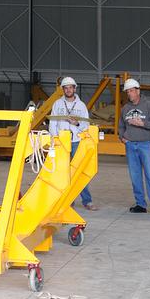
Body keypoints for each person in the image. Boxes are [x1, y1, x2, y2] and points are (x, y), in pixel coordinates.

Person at [49, 76, 96, 210]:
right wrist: (55, 139)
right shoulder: (57, 104)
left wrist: (77, 123)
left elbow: (86, 125)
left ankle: (87, 201)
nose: (68, 90)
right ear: (63, 90)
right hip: (62, 142)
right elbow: (53, 123)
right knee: (63, 172)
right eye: (66, 88)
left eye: (71, 87)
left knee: (78, 171)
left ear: (74, 89)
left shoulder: (81, 106)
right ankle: (67, 200)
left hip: (76, 141)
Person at [118, 77, 150, 215]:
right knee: (135, 176)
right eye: (127, 92)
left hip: (146, 144)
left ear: (138, 91)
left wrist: (142, 124)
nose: (129, 94)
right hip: (130, 145)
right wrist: (122, 137)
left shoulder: (148, 105)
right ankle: (140, 204)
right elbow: (121, 126)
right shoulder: (125, 108)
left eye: (131, 91)